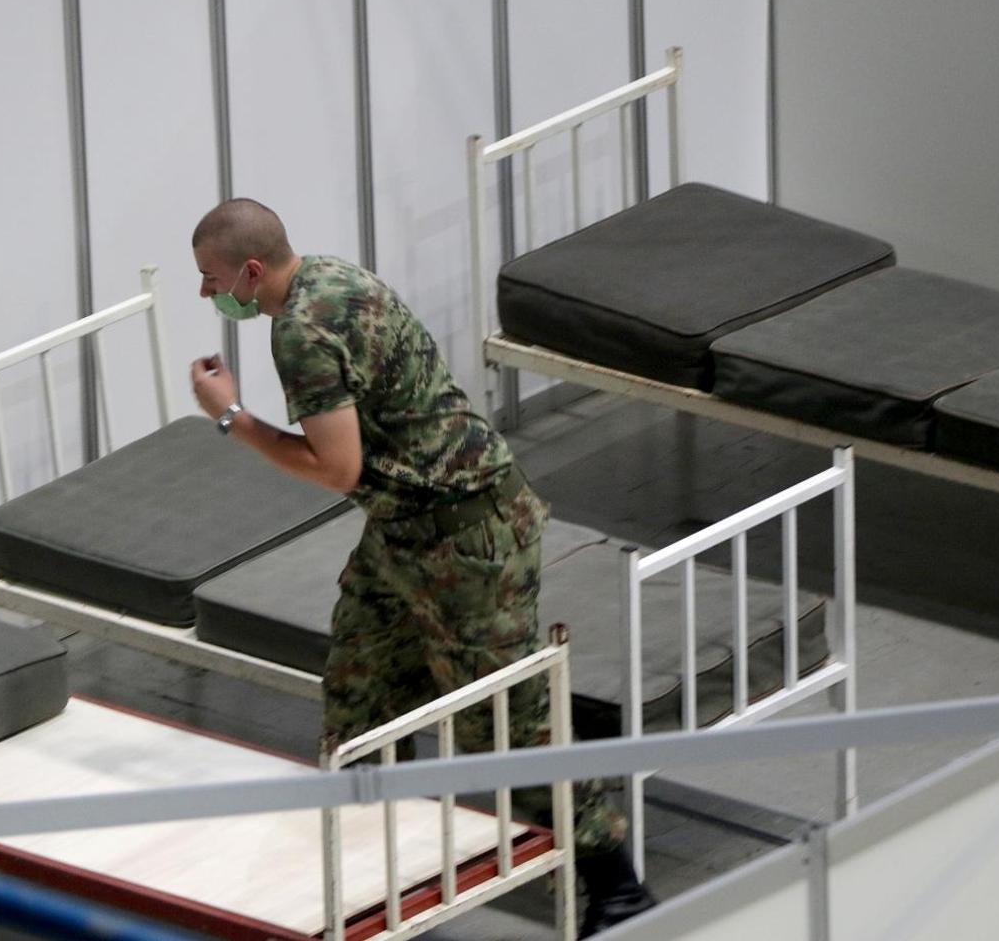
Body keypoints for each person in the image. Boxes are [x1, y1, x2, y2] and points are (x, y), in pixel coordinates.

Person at [188, 198, 655, 935]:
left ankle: (615, 880)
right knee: (359, 688)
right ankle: (374, 866)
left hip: (466, 538)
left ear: (251, 270)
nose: (208, 294)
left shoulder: (301, 332)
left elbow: (337, 469)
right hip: (405, 527)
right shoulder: (334, 277)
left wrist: (230, 418)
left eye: (213, 279)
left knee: (498, 728)